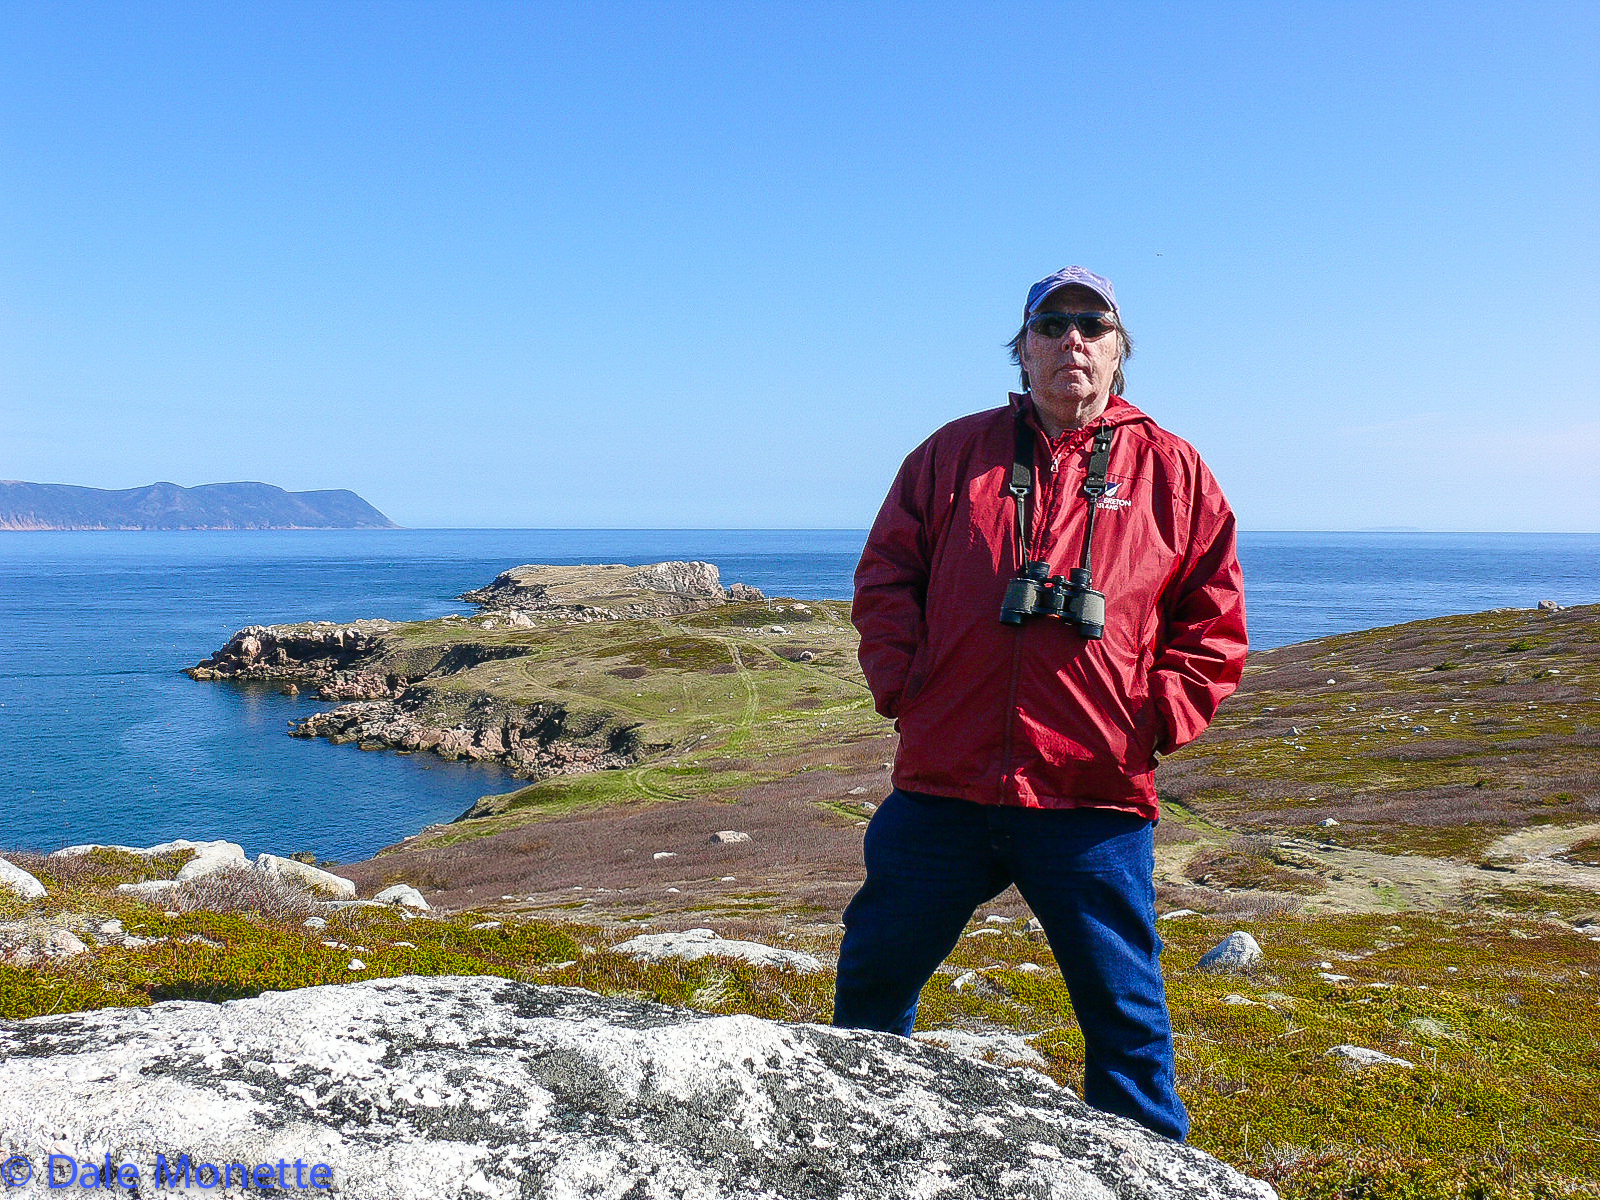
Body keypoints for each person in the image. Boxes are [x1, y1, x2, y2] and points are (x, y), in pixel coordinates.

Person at [834, 265, 1247, 1142]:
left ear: (1117, 350)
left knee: (1126, 1023)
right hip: (945, 781)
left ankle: (1151, 1174)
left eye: (1092, 327)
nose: (1072, 342)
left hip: (1091, 793)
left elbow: (1214, 620)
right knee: (873, 981)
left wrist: (1156, 718)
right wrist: (906, 687)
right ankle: (846, 1148)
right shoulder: (953, 454)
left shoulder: (1174, 471)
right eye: (1051, 326)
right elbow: (885, 578)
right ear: (1021, 350)